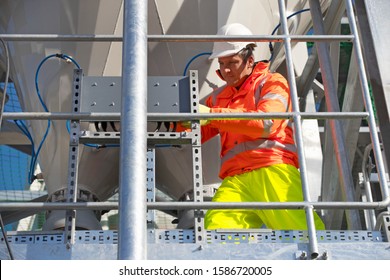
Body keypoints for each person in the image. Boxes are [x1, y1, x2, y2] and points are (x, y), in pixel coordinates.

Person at [198, 23, 325, 230]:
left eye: (233, 62)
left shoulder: (273, 82)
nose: (226, 70)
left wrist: (211, 115)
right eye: (222, 63)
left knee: (304, 235)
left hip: (273, 170)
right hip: (235, 179)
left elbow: (268, 123)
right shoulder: (218, 98)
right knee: (216, 231)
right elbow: (197, 132)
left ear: (250, 61)